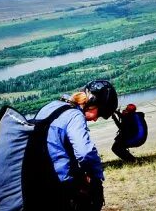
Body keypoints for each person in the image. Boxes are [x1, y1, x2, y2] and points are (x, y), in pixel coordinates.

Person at [34, 79, 117, 211]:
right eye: (99, 113)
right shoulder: (75, 115)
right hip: (60, 182)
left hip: (37, 179)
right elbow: (85, 153)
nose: (95, 119)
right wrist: (96, 176)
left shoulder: (51, 106)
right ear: (92, 102)